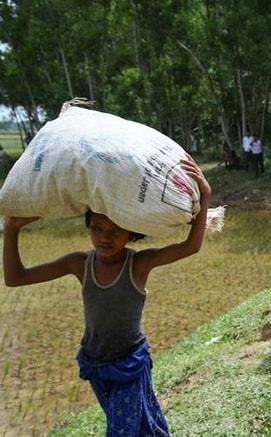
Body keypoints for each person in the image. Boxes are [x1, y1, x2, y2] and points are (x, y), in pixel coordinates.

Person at [2, 154, 211, 437]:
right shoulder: (79, 263)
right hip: (95, 362)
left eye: (115, 231)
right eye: (96, 228)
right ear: (88, 228)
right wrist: (12, 229)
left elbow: (190, 247)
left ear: (131, 234)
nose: (104, 237)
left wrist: (205, 195)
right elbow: (16, 278)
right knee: (142, 426)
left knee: (121, 431)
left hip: (130, 362)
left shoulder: (138, 264)